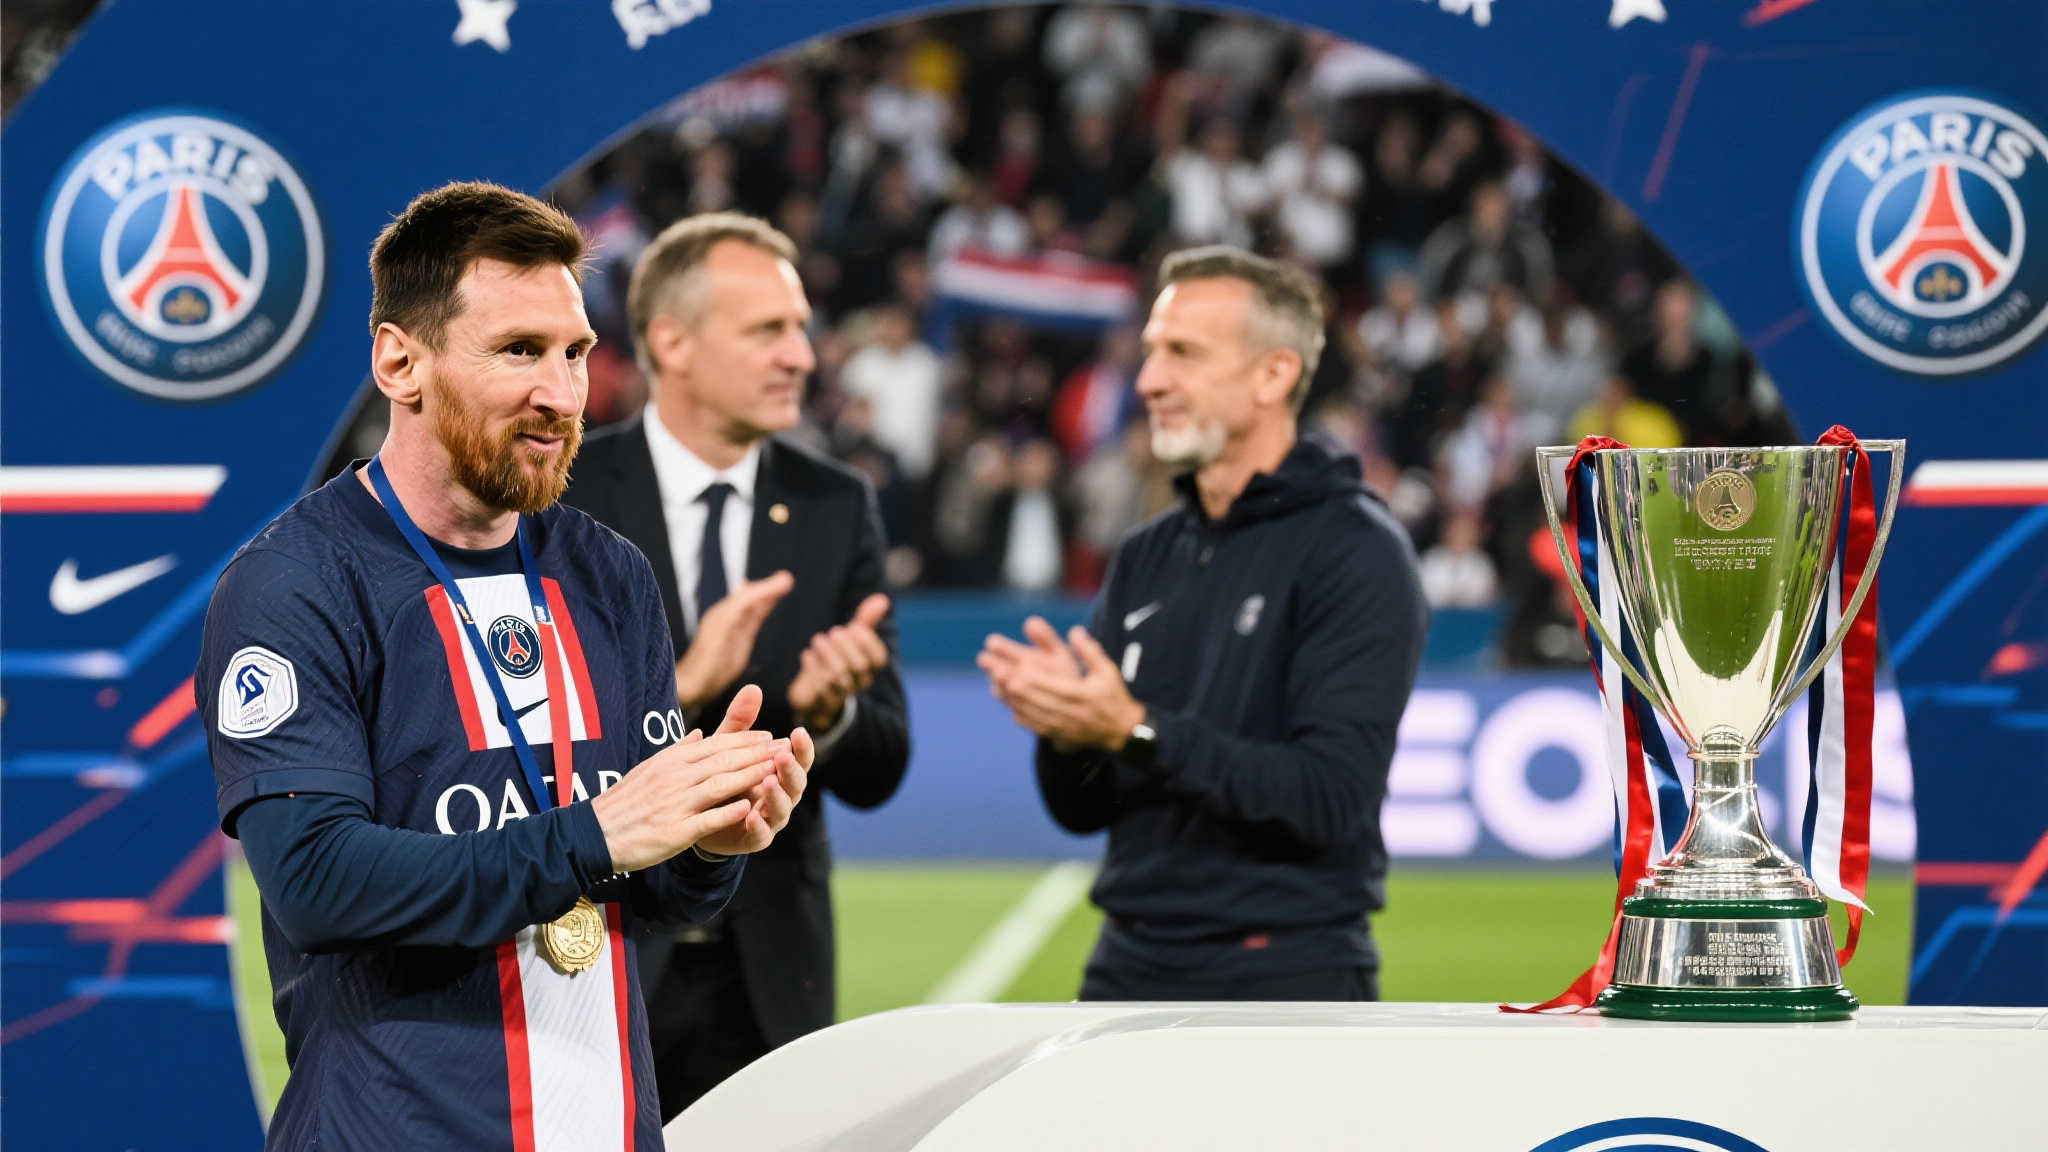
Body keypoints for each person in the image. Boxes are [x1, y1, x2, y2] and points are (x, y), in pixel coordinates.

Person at [198, 181, 812, 1150]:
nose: (561, 395)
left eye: (575, 352)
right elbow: (316, 880)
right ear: (400, 362)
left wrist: (708, 844)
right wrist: (594, 833)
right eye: (519, 350)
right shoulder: (296, 583)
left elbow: (647, 890)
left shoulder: (606, 574)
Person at [979, 246, 1429, 1002]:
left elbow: (1330, 798)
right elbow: (1084, 809)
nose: (1149, 380)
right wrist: (1069, 731)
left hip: (1286, 975)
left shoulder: (1357, 551)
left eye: (1182, 353)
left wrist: (1134, 729)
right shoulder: (1146, 553)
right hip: (1125, 964)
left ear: (1273, 375)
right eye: (1152, 350)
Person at [561, 212, 910, 1118]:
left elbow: (884, 765)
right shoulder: (564, 497)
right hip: (600, 954)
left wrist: (830, 715)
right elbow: (525, 744)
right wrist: (684, 683)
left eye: (800, 328)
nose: (801, 355)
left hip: (771, 976)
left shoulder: (837, 504)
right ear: (672, 342)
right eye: (768, 330)